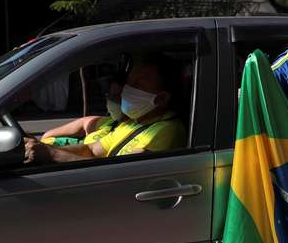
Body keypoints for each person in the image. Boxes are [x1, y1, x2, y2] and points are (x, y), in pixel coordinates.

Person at [24, 54, 186, 163]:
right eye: (129, 82)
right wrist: (45, 148)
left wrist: (53, 154)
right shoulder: (132, 124)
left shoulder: (166, 131)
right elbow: (92, 149)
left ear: (162, 98)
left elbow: (123, 176)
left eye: (138, 84)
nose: (126, 90)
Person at [39, 72, 128, 147]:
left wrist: (49, 151)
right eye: (109, 96)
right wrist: (48, 136)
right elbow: (86, 122)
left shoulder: (131, 134)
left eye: (116, 97)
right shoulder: (112, 122)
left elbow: (90, 153)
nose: (111, 101)